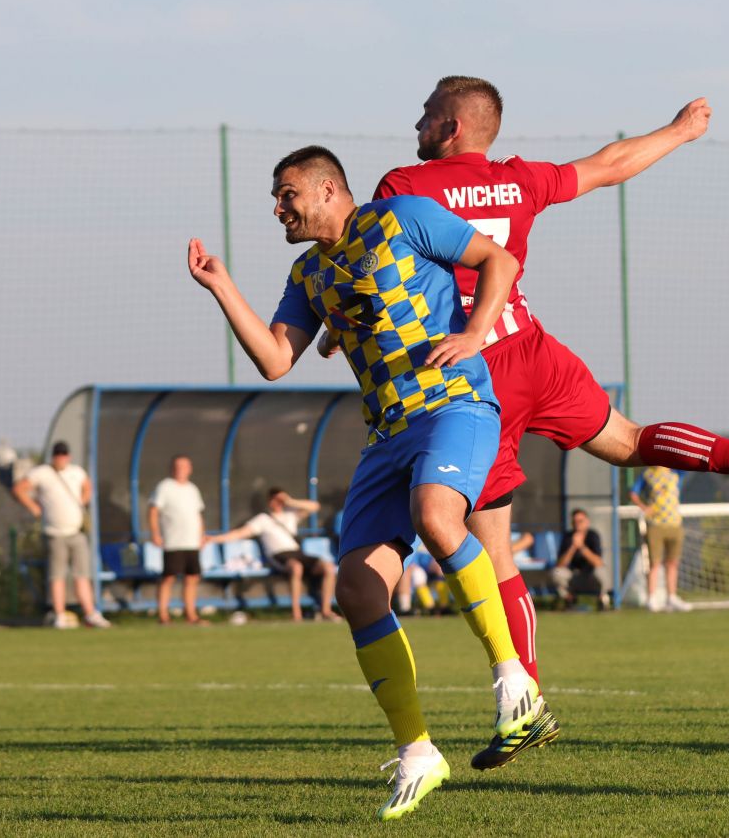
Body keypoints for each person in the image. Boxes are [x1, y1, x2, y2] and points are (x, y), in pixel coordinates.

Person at [343, 77, 729, 763]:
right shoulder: (518, 180)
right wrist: (681, 131)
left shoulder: (403, 184)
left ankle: (524, 704)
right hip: (533, 346)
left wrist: (342, 324)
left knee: (494, 554)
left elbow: (372, 269)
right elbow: (609, 165)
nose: (416, 124)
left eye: (427, 114)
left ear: (451, 127)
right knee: (630, 440)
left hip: (467, 373)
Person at [187, 144, 545, 820]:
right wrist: (222, 287)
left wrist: (475, 332)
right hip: (387, 434)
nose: (278, 208)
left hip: (453, 407)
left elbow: (498, 260)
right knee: (355, 587)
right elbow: (275, 359)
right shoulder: (308, 273)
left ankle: (513, 682)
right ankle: (418, 752)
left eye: (287, 194)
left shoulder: (402, 216)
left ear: (327, 189)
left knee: (437, 515)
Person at [11, 441, 111, 629]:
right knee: (57, 576)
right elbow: (19, 489)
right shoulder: (42, 473)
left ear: (68, 457)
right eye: (58, 455)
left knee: (82, 575)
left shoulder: (77, 472)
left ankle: (91, 613)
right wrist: (33, 507)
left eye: (64, 455)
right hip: (55, 534)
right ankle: (59, 615)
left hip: (76, 532)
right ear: (53, 457)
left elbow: (88, 486)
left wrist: (82, 501)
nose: (61, 459)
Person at [209, 488, 339, 623]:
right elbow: (240, 533)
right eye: (275, 500)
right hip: (278, 555)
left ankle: (326, 611)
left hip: (297, 552)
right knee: (296, 567)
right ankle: (296, 613)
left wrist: (290, 501)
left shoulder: (290, 515)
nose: (278, 503)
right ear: (269, 501)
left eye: (280, 500)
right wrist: (213, 539)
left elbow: (315, 506)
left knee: (328, 567)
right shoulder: (262, 519)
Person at [148, 454, 210, 626]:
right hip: (173, 541)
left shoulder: (192, 489)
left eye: (184, 466)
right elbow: (153, 511)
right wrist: (155, 533)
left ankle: (191, 615)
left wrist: (202, 535)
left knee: (192, 578)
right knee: (169, 577)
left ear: (190, 469)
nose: (180, 469)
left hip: (192, 542)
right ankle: (163, 616)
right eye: (177, 466)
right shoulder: (165, 487)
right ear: (171, 468)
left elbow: (198, 514)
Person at [630, 466, 689, 612]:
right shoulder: (647, 473)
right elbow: (633, 493)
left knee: (672, 563)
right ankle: (651, 597)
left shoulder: (676, 472)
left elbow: (687, 465)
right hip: (655, 525)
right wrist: (644, 508)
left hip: (674, 523)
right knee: (654, 563)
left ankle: (672, 597)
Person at [552, 508, 611, 609]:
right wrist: (573, 547)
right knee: (557, 572)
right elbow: (560, 564)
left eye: (580, 521)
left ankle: (602, 600)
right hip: (573, 576)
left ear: (587, 522)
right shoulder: (568, 536)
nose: (577, 524)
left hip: (590, 576)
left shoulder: (593, 536)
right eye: (574, 521)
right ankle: (569, 600)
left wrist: (581, 547)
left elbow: (598, 562)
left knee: (602, 571)